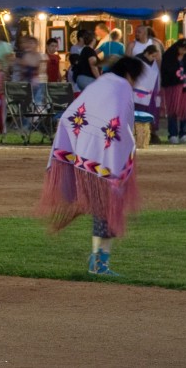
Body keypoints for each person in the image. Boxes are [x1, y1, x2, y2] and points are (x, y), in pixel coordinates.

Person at [37, 56, 145, 277]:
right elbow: (123, 123)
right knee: (107, 209)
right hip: (106, 155)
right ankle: (99, 264)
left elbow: (71, 115)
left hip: (86, 150)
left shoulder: (101, 83)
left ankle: (97, 261)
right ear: (129, 74)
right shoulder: (122, 86)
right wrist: (128, 146)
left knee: (101, 209)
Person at [160, 37, 186, 144]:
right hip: (172, 87)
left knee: (184, 110)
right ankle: (172, 134)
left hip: (185, 89)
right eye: (183, 49)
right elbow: (166, 70)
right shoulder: (168, 55)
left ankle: (183, 133)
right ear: (178, 47)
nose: (185, 52)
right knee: (173, 110)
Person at [134, 44, 162, 142]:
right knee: (139, 113)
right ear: (147, 53)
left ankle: (149, 135)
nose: (153, 58)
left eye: (155, 56)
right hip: (139, 94)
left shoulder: (154, 63)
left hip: (151, 94)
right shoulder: (137, 60)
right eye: (152, 56)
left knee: (150, 113)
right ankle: (138, 134)